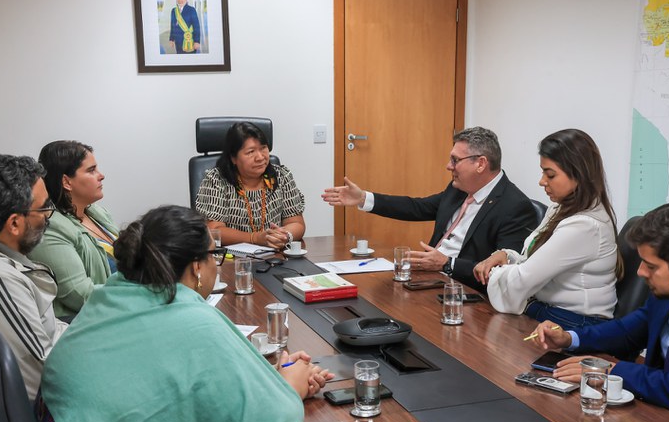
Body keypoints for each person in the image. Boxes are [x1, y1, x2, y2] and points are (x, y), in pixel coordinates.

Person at [40, 205, 332, 422]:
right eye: (214, 256)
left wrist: (263, 377)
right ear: (196, 267)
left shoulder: (108, 297)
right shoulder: (193, 319)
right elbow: (271, 419)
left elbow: (165, 378)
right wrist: (289, 386)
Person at [532, 202, 669, 415]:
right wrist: (569, 338)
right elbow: (629, 331)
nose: (641, 272)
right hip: (660, 414)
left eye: (651, 266)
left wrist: (616, 372)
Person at [322, 126, 537, 288]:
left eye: (455, 160)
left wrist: (447, 263)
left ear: (480, 164)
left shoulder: (515, 207)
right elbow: (417, 207)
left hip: (465, 292)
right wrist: (363, 198)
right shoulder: (458, 189)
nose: (448, 166)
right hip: (429, 278)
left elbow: (503, 272)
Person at [473, 129, 619, 327]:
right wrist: (508, 256)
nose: (542, 181)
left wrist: (495, 272)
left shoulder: (584, 226)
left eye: (550, 175)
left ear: (578, 175)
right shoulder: (561, 207)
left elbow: (523, 280)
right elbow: (535, 262)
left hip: (574, 323)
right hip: (553, 311)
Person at [0, 155, 67, 400]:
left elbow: (44, 329)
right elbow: (43, 379)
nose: (49, 214)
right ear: (15, 223)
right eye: (44, 207)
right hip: (46, 414)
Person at [29, 141, 118, 318]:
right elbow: (79, 294)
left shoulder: (96, 212)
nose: (101, 176)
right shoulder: (49, 228)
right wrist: (137, 296)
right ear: (66, 181)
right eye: (91, 170)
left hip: (120, 307)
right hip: (90, 321)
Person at [196, 121, 306, 250]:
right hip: (232, 259)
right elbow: (214, 230)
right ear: (233, 158)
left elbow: (296, 223)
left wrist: (284, 236)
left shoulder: (281, 176)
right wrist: (254, 238)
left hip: (275, 256)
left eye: (263, 148)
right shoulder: (216, 180)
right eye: (250, 152)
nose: (260, 157)